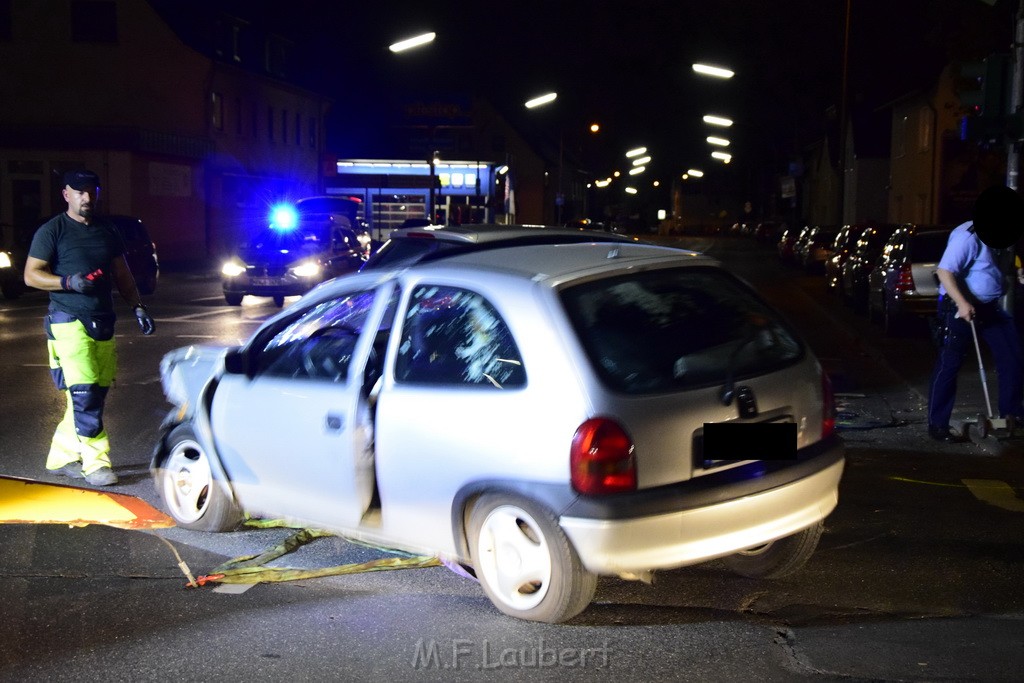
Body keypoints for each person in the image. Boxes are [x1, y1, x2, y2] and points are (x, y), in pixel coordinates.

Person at [23, 169, 155, 486]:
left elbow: (122, 274)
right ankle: (96, 464)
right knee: (85, 395)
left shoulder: (107, 231)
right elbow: (31, 275)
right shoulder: (52, 231)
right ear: (66, 194)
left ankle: (62, 455)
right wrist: (69, 282)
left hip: (102, 320)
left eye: (92, 191)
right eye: (79, 191)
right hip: (67, 321)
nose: (87, 197)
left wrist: (138, 306)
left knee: (95, 393)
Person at [927, 185, 1024, 443]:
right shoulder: (967, 236)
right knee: (950, 364)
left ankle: (1012, 415)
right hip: (959, 307)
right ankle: (938, 425)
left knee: (1012, 356)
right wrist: (961, 302)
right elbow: (945, 272)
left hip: (989, 307)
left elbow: (998, 267)